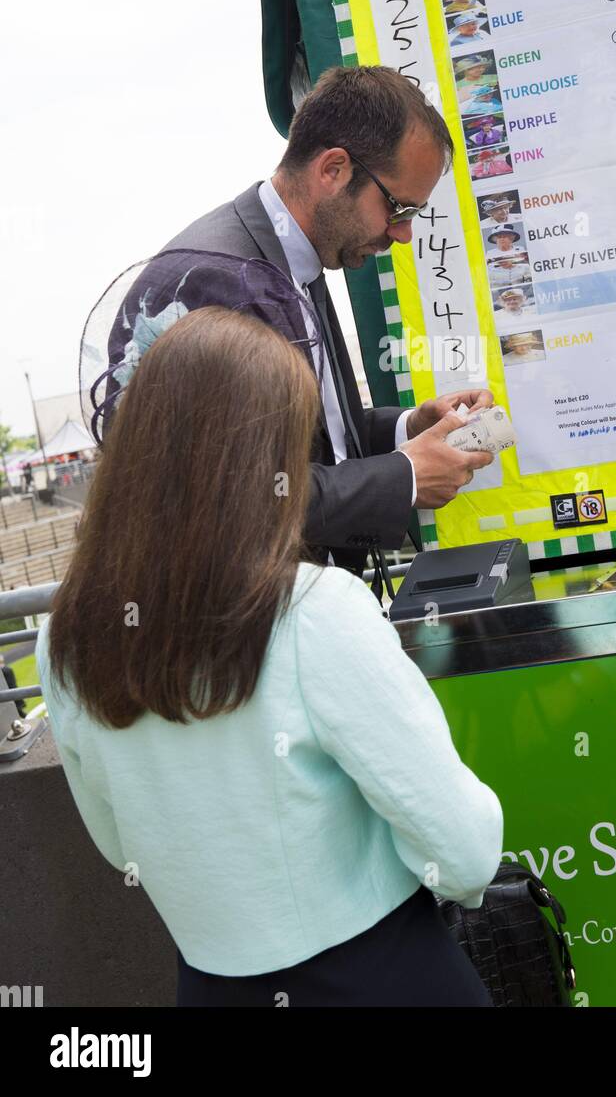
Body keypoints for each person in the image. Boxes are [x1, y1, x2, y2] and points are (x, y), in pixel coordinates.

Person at [37, 307, 503, 1007]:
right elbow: (462, 848)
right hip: (384, 973)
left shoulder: (64, 635)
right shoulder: (316, 611)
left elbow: (116, 841)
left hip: (211, 984)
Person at [126, 66, 495, 579]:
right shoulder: (222, 281)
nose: (404, 234)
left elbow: (313, 438)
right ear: (333, 170)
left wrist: (407, 428)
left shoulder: (291, 257)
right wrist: (405, 476)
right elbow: (241, 496)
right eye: (398, 207)